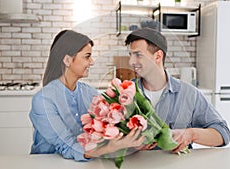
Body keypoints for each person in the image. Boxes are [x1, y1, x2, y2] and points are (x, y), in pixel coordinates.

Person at [29, 30, 145, 161]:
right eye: (87, 56)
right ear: (67, 60)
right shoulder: (44, 100)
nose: (92, 62)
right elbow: (67, 145)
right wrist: (108, 148)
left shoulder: (90, 93)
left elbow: (105, 130)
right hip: (46, 163)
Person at [124, 28, 230, 153]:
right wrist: (127, 145)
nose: (131, 62)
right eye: (130, 55)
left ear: (158, 56)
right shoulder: (123, 93)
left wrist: (191, 134)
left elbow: (223, 134)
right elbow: (102, 142)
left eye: (138, 55)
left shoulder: (188, 93)